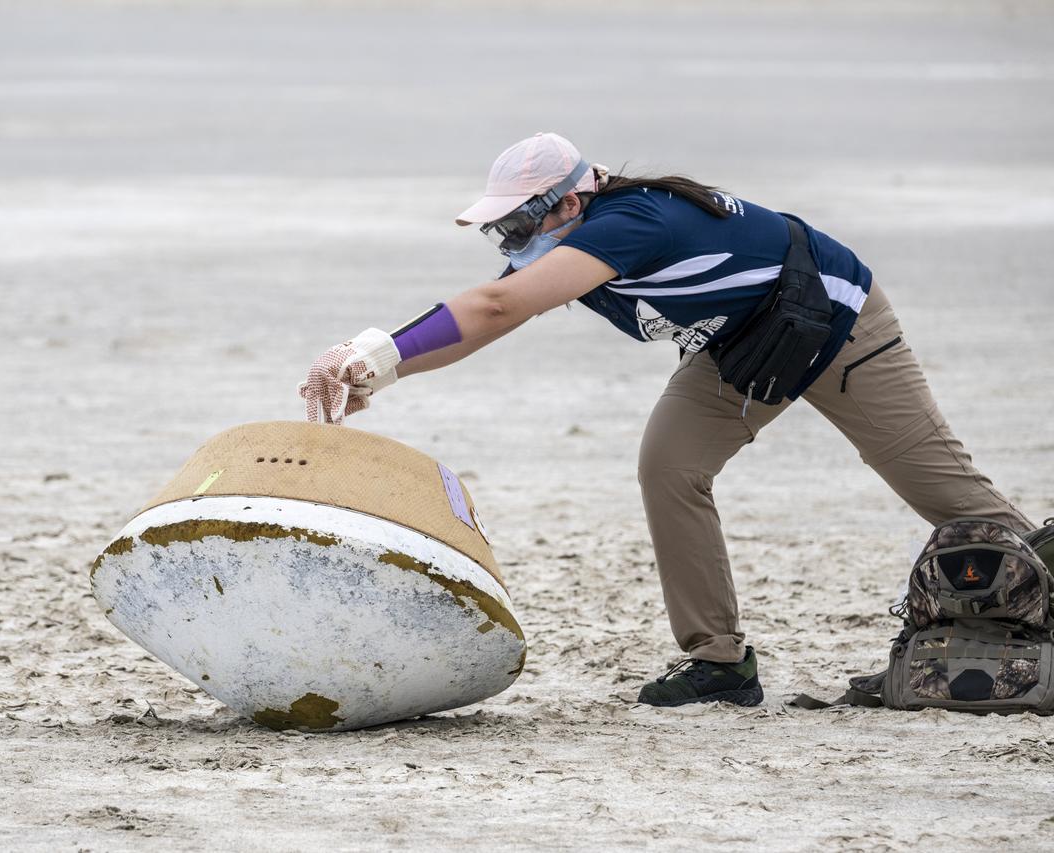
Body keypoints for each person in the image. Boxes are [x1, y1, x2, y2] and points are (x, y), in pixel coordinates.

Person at [298, 131, 1041, 708]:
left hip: (833, 319)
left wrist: (371, 354)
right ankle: (719, 662)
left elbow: (493, 305)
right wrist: (382, 372)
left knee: (945, 493)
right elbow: (490, 319)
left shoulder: (629, 223)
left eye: (520, 221)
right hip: (744, 344)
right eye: (501, 231)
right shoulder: (572, 243)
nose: (511, 241)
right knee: (670, 465)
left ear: (568, 202)